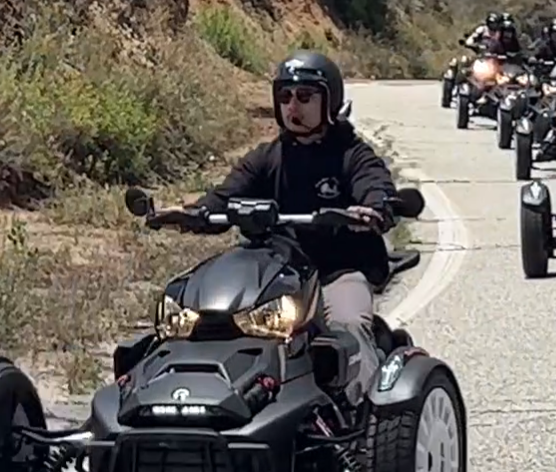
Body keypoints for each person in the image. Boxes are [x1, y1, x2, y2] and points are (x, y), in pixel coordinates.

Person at [160, 51, 398, 407]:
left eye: (305, 96)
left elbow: (375, 184)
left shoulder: (351, 154)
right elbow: (225, 196)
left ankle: (362, 413)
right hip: (277, 273)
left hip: (336, 272)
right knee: (200, 318)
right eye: (285, 97)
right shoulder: (266, 157)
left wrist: (375, 208)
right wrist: (191, 214)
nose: (292, 106)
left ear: (330, 101)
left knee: (348, 325)